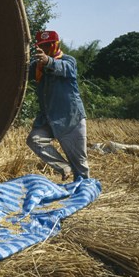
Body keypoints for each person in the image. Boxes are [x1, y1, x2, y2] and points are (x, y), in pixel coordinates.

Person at [26, 30, 90, 181]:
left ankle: (82, 193)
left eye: (49, 45)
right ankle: (63, 167)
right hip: (48, 119)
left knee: (79, 165)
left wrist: (48, 61)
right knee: (34, 140)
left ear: (55, 45)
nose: (46, 48)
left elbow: (65, 68)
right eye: (43, 46)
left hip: (70, 119)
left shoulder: (68, 61)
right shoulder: (37, 66)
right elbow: (21, 72)